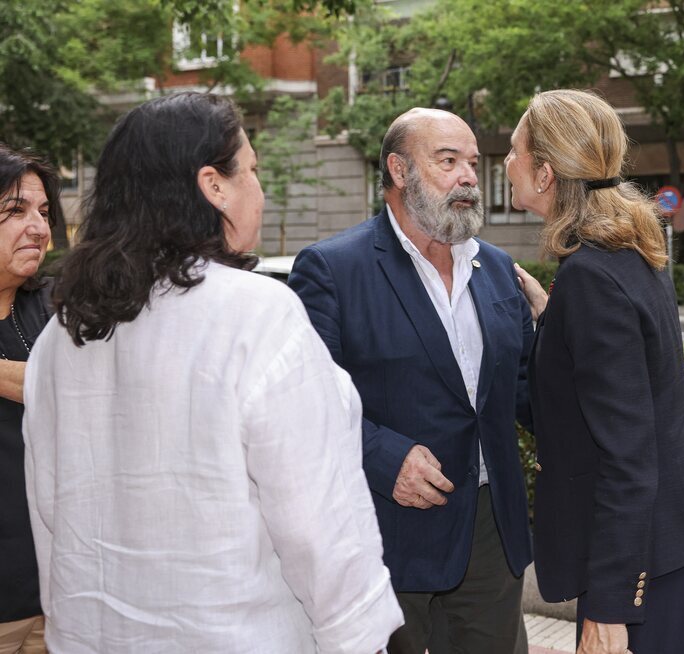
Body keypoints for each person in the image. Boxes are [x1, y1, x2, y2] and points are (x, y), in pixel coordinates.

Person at [22, 92, 402, 654]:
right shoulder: (257, 316)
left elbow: (52, 519)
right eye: (250, 169)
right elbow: (320, 530)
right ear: (213, 185)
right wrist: (361, 636)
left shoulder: (63, 333)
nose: (260, 189)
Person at [288, 107, 534, 654]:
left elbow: (527, 392)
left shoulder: (496, 269)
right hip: (386, 533)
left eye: (472, 161)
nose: (469, 175)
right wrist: (382, 456)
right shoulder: (332, 269)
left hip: (490, 537)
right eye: (448, 161)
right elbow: (307, 405)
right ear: (399, 171)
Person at [508, 89, 684, 654]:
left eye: (513, 151)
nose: (505, 163)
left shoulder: (590, 275)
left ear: (544, 174)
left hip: (647, 554)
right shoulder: (625, 244)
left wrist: (611, 603)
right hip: (664, 540)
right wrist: (552, 323)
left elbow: (627, 456)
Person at [0, 145, 60, 654]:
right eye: (16, 210)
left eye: (43, 212)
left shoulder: (60, 306)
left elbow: (77, 387)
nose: (39, 227)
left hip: (59, 597)